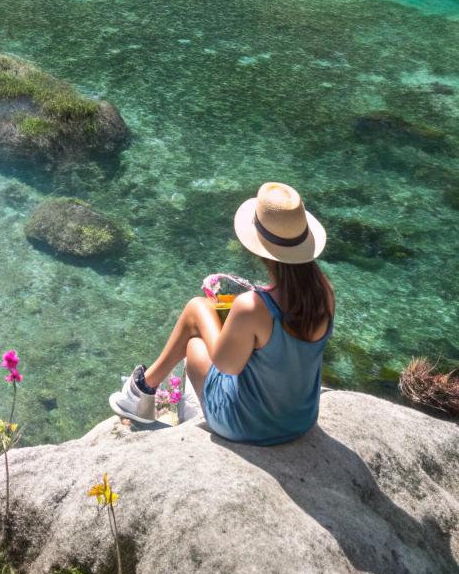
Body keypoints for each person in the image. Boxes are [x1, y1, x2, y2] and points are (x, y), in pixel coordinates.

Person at [110, 181, 334, 446]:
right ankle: (141, 391)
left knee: (195, 327)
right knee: (202, 313)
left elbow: (227, 366)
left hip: (248, 426)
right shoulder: (325, 293)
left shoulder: (252, 306)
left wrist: (216, 325)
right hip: (300, 420)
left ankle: (140, 393)